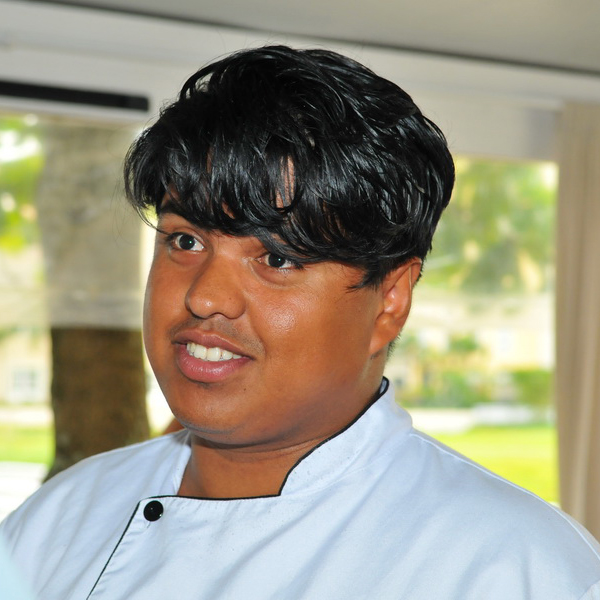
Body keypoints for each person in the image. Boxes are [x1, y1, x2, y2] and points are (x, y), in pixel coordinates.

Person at [1, 45, 599, 600]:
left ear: (389, 301)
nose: (205, 297)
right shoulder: (59, 522)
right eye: (185, 240)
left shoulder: (512, 567)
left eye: (276, 258)